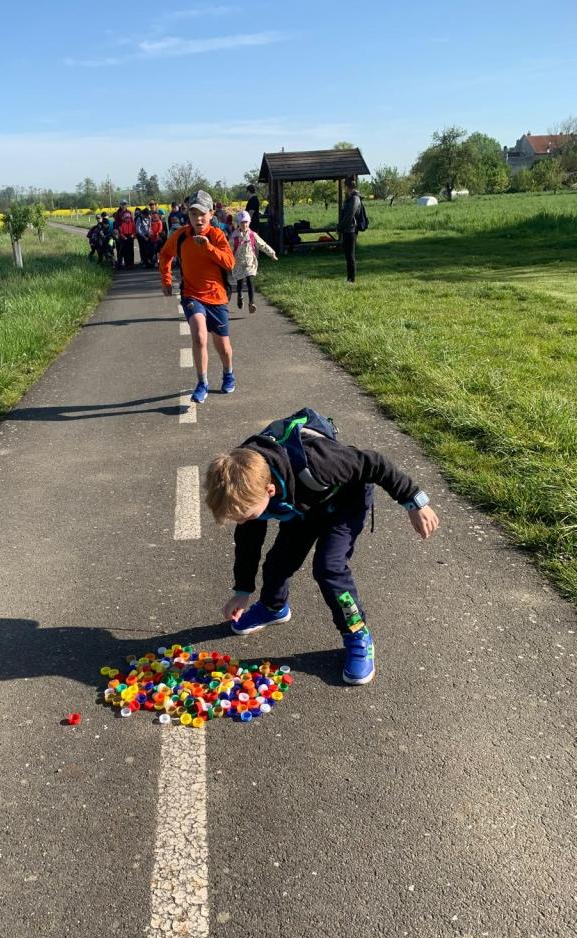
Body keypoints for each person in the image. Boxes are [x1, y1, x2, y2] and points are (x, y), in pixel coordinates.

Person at [203, 413, 440, 684]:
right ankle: (272, 607)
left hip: (345, 503)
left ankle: (357, 633)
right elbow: (248, 543)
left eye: (246, 516)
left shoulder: (319, 462)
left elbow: (374, 463)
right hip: (303, 505)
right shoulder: (245, 487)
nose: (242, 522)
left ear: (269, 491)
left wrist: (414, 502)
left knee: (329, 568)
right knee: (278, 561)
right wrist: (242, 590)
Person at [159, 189, 236, 404]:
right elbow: (165, 254)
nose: (198, 218)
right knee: (200, 336)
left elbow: (229, 263)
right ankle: (202, 382)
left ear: (211, 213)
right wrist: (166, 279)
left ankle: (228, 373)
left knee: (223, 348)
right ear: (188, 215)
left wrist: (208, 247)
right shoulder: (181, 236)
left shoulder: (217, 235)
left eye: (202, 213)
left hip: (217, 297)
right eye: (193, 214)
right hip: (192, 294)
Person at [231, 210, 277, 313]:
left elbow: (262, 245)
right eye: (242, 222)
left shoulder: (252, 235)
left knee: (250, 280)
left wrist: (272, 253)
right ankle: (239, 296)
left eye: (246, 222)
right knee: (239, 282)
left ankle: (251, 303)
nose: (244, 225)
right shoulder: (234, 237)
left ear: (249, 222)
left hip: (250, 263)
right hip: (238, 264)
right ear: (238, 223)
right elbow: (228, 249)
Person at [338, 176, 362, 283]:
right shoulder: (349, 198)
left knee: (351, 256)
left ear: (348, 187)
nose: (344, 188)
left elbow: (349, 215)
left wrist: (340, 227)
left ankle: (352, 280)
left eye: (344, 186)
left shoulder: (355, 199)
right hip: (346, 230)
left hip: (351, 230)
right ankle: (349, 279)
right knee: (348, 256)